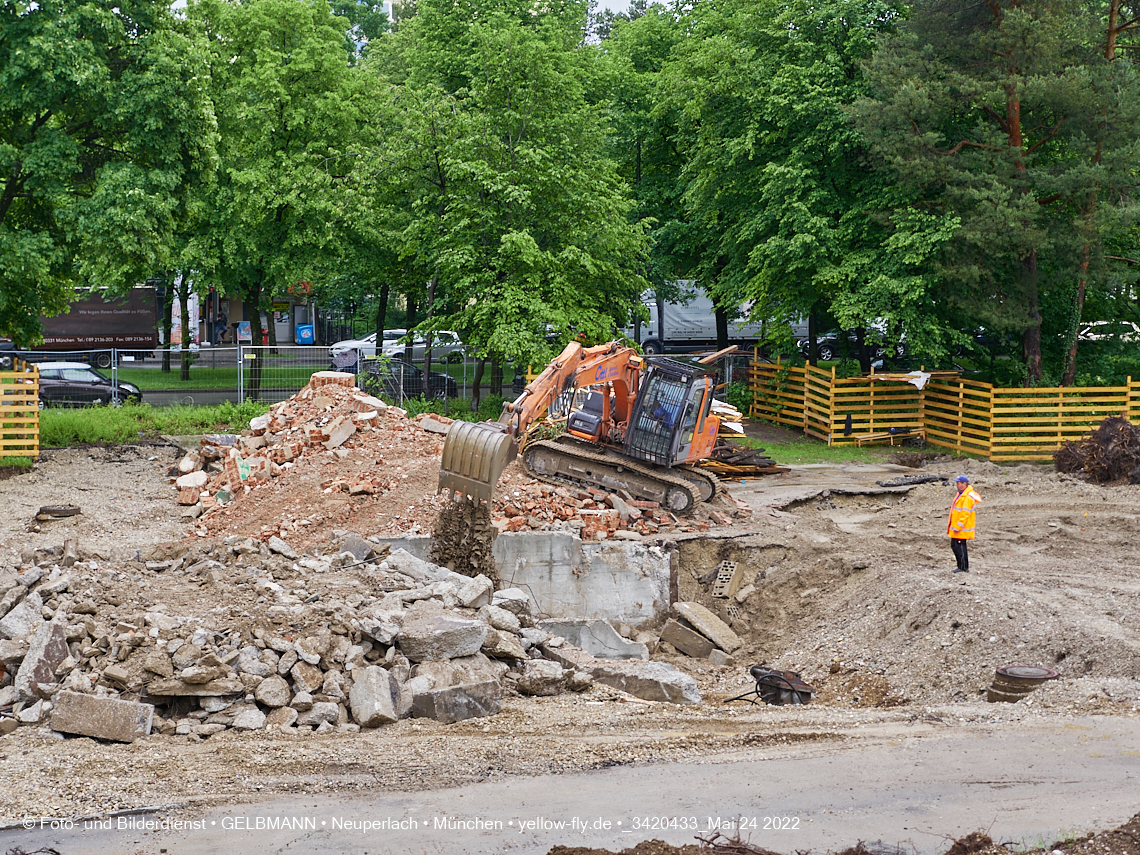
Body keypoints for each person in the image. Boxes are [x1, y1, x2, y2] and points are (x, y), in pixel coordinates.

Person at [948, 474, 982, 573]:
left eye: (959, 483)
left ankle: (963, 567)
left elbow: (964, 513)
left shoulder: (967, 497)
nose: (957, 485)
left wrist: (958, 526)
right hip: (958, 527)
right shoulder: (961, 494)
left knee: (960, 547)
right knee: (955, 546)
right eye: (957, 483)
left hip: (961, 528)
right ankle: (961, 566)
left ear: (965, 484)